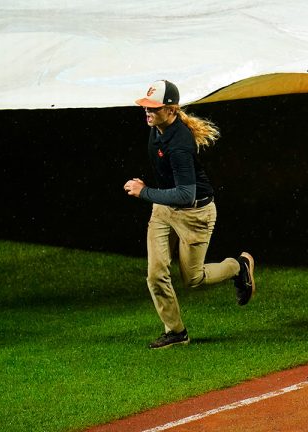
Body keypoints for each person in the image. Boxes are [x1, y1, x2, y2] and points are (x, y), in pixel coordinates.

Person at [124, 79, 255, 349]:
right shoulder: (158, 126)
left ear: (172, 110)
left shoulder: (180, 143)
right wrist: (153, 195)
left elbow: (186, 195)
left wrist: (145, 191)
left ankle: (238, 267)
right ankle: (175, 331)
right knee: (156, 274)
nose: (147, 113)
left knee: (192, 278)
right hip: (163, 210)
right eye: (145, 107)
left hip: (195, 214)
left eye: (154, 108)